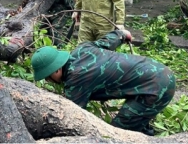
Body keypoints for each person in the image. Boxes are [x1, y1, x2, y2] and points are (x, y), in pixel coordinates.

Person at [31, 30, 175, 136]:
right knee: (134, 120)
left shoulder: (76, 79)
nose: (48, 81)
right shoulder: (82, 49)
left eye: (47, 77)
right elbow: (108, 40)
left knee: (117, 133)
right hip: (159, 71)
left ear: (56, 70)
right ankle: (145, 131)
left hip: (156, 86)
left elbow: (71, 116)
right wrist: (122, 34)